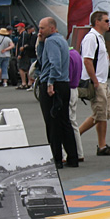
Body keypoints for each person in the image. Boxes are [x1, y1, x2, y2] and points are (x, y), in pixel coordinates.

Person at [36, 17, 78, 167]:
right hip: (64, 83)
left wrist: (50, 83)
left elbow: (54, 63)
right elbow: (43, 59)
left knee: (52, 123)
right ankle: (73, 157)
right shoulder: (60, 40)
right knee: (64, 121)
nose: (39, 31)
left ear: (52, 28)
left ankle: (57, 159)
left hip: (54, 84)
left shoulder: (51, 41)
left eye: (42, 28)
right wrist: (40, 43)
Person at [77, 10, 110, 156]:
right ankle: (75, 136)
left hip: (102, 81)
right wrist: (95, 81)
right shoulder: (91, 38)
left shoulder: (99, 38)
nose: (108, 23)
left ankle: (102, 145)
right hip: (96, 82)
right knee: (98, 114)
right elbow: (87, 60)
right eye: (106, 20)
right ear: (97, 22)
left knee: (104, 114)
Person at [67, 47, 85, 162]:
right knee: (73, 122)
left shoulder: (67, 57)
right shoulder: (76, 54)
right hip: (75, 89)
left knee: (65, 123)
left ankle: (66, 154)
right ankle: (79, 152)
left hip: (67, 89)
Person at [17, 23, 37, 89]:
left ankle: (29, 83)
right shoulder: (30, 35)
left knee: (29, 69)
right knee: (30, 68)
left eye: (29, 29)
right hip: (30, 55)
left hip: (32, 54)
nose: (28, 30)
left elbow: (31, 45)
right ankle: (30, 83)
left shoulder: (31, 36)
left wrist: (23, 49)